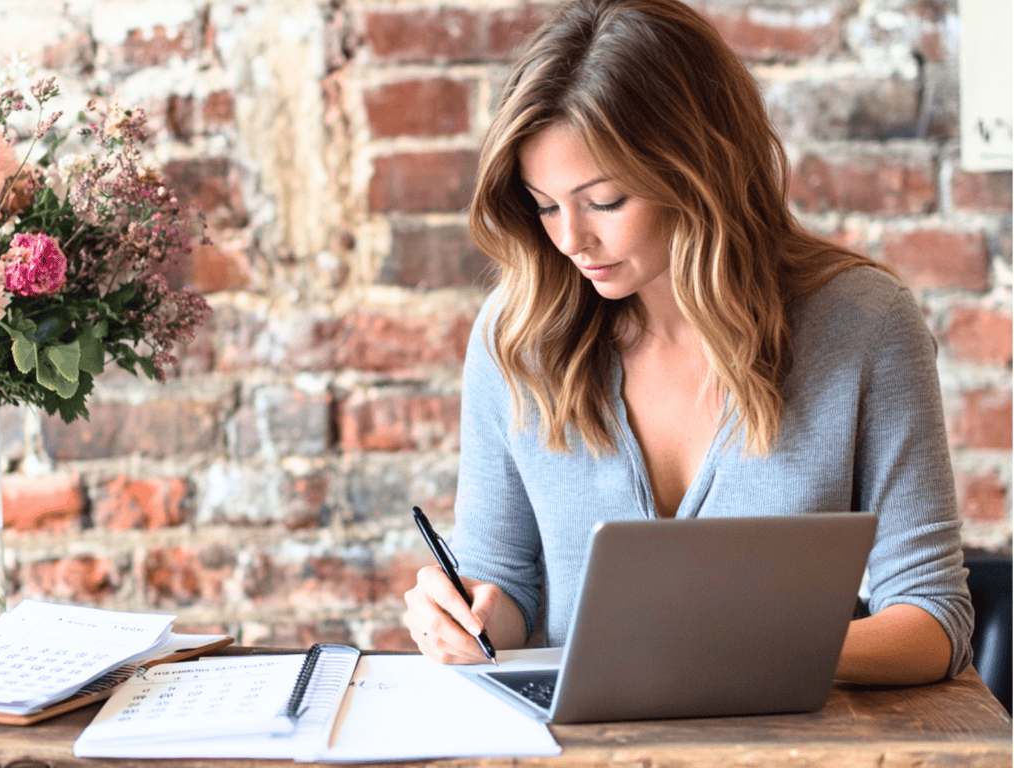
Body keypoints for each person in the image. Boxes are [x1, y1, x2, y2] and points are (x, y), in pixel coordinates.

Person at [402, 0, 973, 685]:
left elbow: (934, 617)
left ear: (699, 171)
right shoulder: (517, 335)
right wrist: (471, 619)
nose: (570, 240)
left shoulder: (864, 325)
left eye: (606, 201)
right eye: (545, 205)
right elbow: (507, 590)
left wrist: (757, 656)